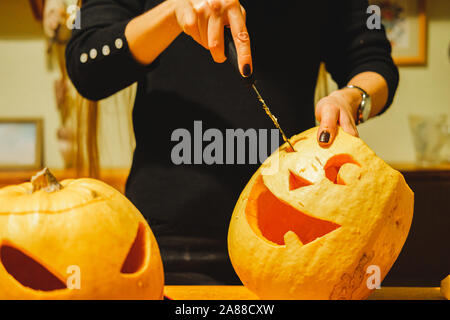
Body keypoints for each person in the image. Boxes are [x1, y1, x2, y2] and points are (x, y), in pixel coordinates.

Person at [66, 0, 399, 284]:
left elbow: (373, 61)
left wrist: (353, 98)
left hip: (300, 241)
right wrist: (174, 11)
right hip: (170, 243)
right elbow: (88, 63)